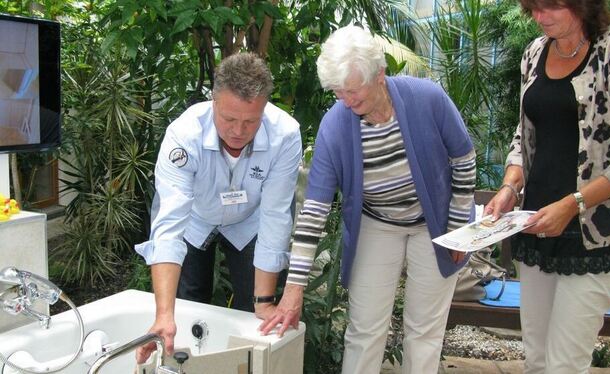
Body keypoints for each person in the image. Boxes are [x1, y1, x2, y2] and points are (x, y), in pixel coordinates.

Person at [260, 25, 476, 374]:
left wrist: (457, 226)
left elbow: (463, 158)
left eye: (353, 92)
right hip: (377, 223)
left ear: (380, 74)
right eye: (338, 92)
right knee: (364, 329)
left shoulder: (428, 99)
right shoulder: (335, 125)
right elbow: (314, 211)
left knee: (424, 331)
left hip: (434, 224)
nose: (346, 101)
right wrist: (294, 288)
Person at [484, 1, 610, 373]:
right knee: (536, 360)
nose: (539, 17)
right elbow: (525, 134)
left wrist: (574, 203)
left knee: (565, 364)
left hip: (594, 230)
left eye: (550, 7)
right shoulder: (534, 52)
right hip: (536, 224)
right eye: (533, 8)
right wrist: (509, 185)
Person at [134, 53, 302, 363]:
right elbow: (169, 222)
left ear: (265, 109)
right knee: (185, 307)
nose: (238, 130)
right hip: (195, 219)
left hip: (250, 221)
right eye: (229, 119)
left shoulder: (286, 135)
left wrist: (264, 302)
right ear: (213, 101)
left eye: (250, 121)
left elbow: (276, 215)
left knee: (256, 315)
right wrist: (163, 314)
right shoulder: (183, 135)